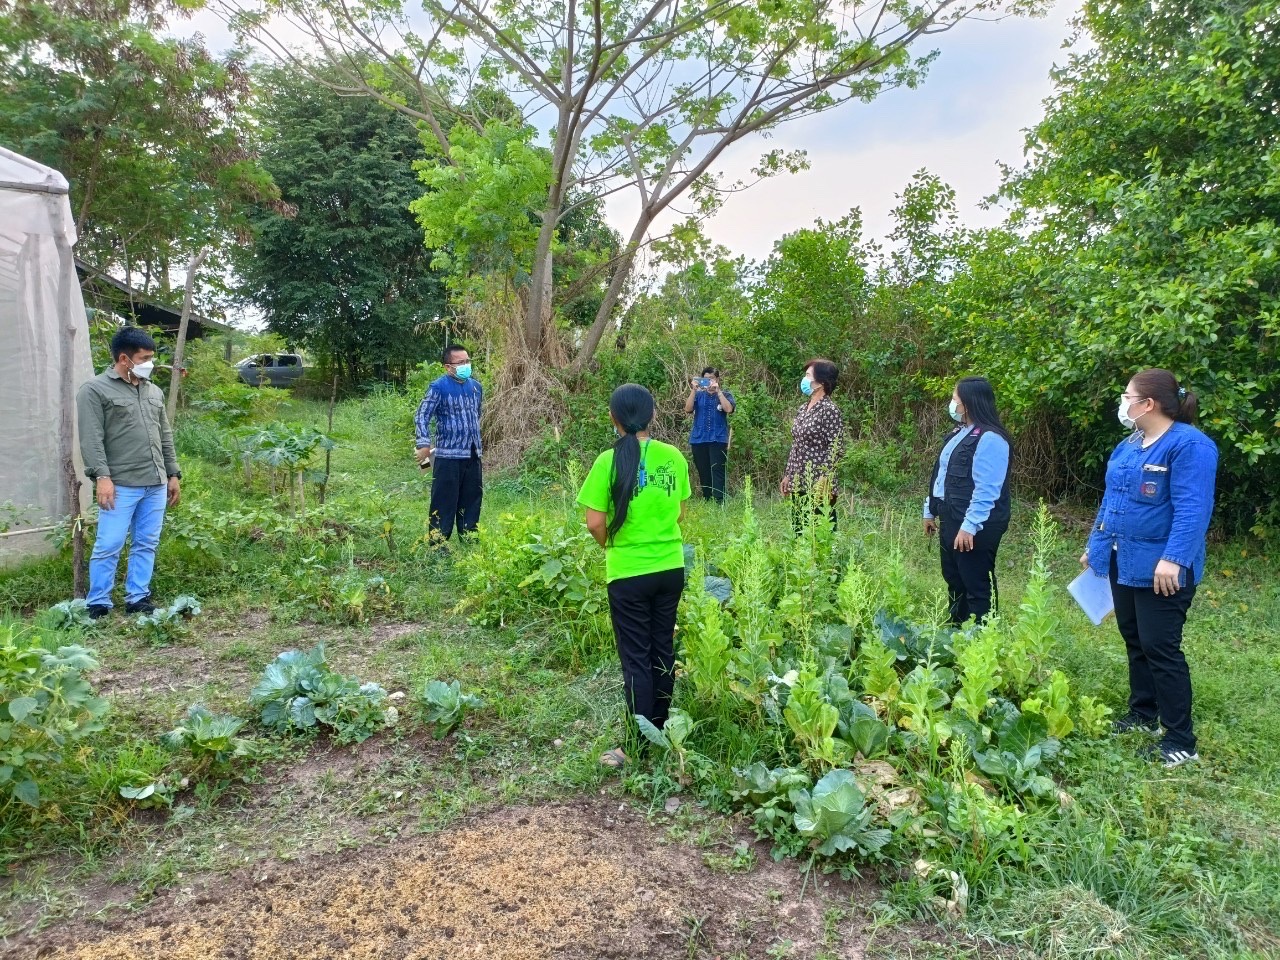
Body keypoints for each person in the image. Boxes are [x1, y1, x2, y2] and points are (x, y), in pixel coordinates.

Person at [1079, 369, 1217, 768]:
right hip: (1125, 561)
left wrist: (1173, 559)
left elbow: (1193, 509)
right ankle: (1143, 714)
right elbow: (1111, 501)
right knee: (1135, 638)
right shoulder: (1130, 444)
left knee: (1161, 648)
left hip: (1163, 570)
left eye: (1126, 396)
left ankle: (1180, 739)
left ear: (1148, 404)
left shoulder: (1190, 447)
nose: (1122, 404)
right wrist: (1097, 547)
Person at [577, 384, 692, 769]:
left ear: (614, 418)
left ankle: (636, 747)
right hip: (670, 567)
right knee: (662, 650)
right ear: (652, 415)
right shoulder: (672, 456)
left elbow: (594, 522)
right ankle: (658, 729)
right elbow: (679, 512)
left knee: (637, 658)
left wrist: (613, 545)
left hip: (628, 573)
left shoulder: (606, 461)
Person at [77, 326, 181, 619]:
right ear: (125, 358)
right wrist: (103, 478)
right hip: (121, 484)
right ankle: (98, 602)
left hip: (156, 482)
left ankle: (138, 597)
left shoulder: (153, 391)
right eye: (145, 357)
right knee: (109, 543)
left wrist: (173, 474)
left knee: (146, 542)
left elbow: (165, 436)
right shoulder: (95, 390)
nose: (150, 363)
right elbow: (91, 439)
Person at [923, 376, 1013, 626]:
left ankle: (983, 639)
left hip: (975, 524)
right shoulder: (958, 434)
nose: (952, 404)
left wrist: (969, 526)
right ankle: (956, 630)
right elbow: (940, 474)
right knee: (954, 578)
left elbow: (987, 489)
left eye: (955, 399)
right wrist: (929, 511)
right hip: (951, 516)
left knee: (976, 582)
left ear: (970, 403)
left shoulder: (992, 438)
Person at [414, 344, 484, 541]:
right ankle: (438, 543)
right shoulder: (438, 387)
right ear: (448, 366)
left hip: (473, 453)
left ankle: (469, 538)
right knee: (444, 501)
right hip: (447, 456)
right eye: (460, 362)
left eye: (467, 361)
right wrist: (424, 444)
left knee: (472, 499)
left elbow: (476, 415)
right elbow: (421, 416)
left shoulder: (476, 388)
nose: (466, 365)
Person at [780, 359, 844, 528]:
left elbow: (836, 448)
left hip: (818, 481)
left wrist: (824, 480)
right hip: (798, 478)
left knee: (820, 530)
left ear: (821, 382)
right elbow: (797, 444)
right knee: (799, 528)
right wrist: (788, 474)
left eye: (808, 375)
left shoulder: (830, 410)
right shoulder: (803, 408)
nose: (805, 379)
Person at [684, 366, 735, 502]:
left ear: (717, 379)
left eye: (711, 379)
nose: (708, 382)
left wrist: (718, 392)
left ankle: (719, 501)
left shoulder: (726, 395)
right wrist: (693, 390)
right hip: (699, 439)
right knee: (703, 470)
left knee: (717, 470)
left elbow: (728, 409)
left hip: (718, 439)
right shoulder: (699, 395)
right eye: (705, 380)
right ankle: (707, 498)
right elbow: (688, 408)